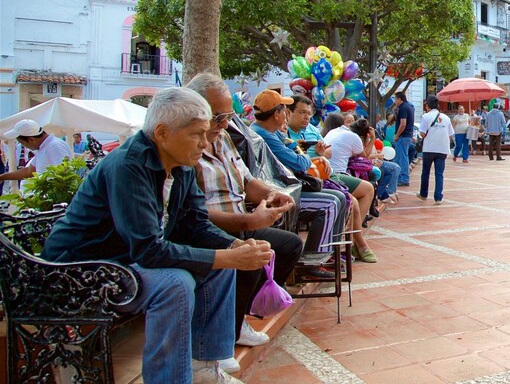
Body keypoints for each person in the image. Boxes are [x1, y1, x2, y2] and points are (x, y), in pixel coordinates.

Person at [42, 87, 269, 384]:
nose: (205, 143)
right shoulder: (127, 167)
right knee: (175, 283)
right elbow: (148, 250)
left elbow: (196, 226)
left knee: (222, 267)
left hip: (121, 263)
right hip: (78, 270)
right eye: (196, 134)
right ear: (162, 132)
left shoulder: (182, 165)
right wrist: (227, 255)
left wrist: (235, 246)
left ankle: (204, 369)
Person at [185, 74, 303, 372]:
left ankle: (237, 321)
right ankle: (218, 339)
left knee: (286, 246)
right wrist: (249, 220)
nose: (225, 123)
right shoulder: (186, 145)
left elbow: (247, 179)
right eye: (219, 116)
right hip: (215, 225)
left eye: (228, 116)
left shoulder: (223, 137)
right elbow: (191, 215)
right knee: (250, 252)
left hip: (239, 219)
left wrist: (273, 194)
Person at [249, 90, 346, 265]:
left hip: (287, 187)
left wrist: (300, 153)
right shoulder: (263, 135)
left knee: (340, 197)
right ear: (277, 114)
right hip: (280, 192)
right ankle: (313, 261)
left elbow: (295, 149)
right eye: (284, 111)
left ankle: (329, 254)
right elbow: (299, 162)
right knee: (330, 204)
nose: (286, 115)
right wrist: (307, 156)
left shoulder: (272, 133)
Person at [0, 119, 73, 183]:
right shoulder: (43, 147)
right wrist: (2, 177)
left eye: (22, 143)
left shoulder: (55, 146)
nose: (24, 146)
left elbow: (64, 174)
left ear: (31, 139)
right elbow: (29, 171)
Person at [417, 95, 452, 204]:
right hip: (442, 149)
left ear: (427, 106)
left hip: (429, 148)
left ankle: (423, 194)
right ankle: (438, 197)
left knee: (426, 172)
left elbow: (422, 133)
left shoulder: (426, 117)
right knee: (439, 173)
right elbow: (450, 135)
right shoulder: (446, 118)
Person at [391, 92, 415, 186]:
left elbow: (403, 123)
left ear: (399, 99)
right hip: (407, 136)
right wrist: (396, 112)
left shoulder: (403, 107)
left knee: (402, 157)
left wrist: (397, 135)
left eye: (395, 99)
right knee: (400, 157)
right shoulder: (408, 106)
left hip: (403, 136)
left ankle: (404, 178)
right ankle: (399, 177)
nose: (395, 101)